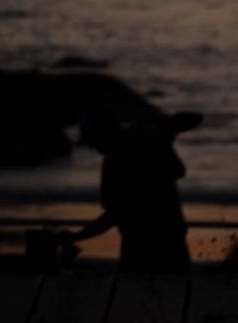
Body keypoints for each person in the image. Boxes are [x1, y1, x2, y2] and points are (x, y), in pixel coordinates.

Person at [61, 108, 201, 272]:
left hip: (146, 243)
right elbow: (177, 169)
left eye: (92, 139)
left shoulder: (121, 156)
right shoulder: (140, 141)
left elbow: (114, 213)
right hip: (162, 235)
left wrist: (79, 235)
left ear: (103, 133)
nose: (92, 146)